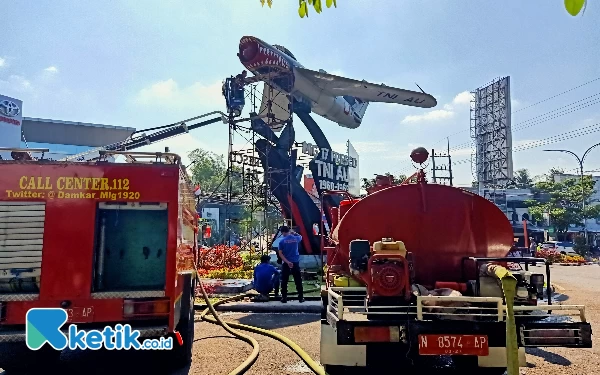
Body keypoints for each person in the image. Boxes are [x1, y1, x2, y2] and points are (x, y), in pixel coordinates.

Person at [277, 225, 304, 303]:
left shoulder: (282, 241)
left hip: (286, 263)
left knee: (284, 281)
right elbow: (301, 237)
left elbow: (280, 254)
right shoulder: (295, 238)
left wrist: (288, 262)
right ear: (288, 231)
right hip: (295, 262)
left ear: (282, 232)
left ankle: (284, 298)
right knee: (298, 280)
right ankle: (301, 298)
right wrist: (294, 233)